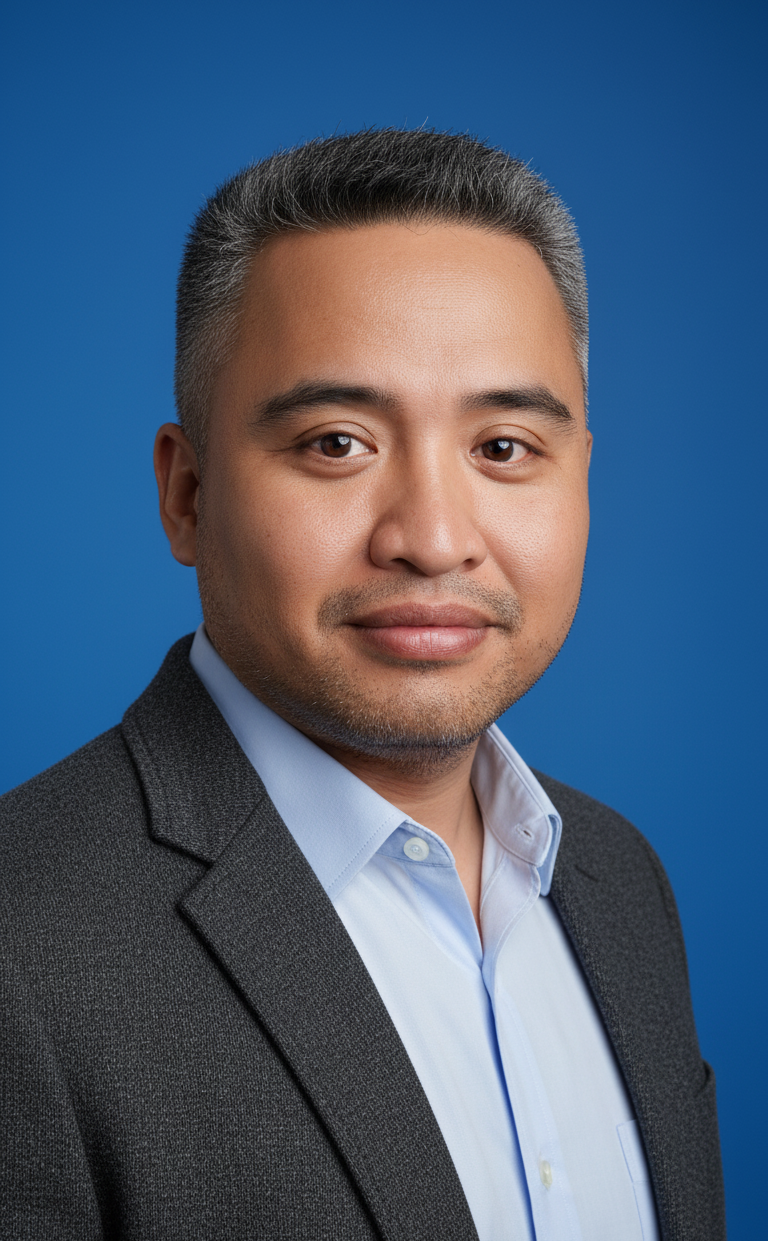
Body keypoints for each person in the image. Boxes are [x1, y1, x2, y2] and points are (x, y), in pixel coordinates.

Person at [0, 129, 725, 1240]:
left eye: (503, 447)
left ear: (583, 476)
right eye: (337, 442)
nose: (431, 538)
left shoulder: (618, 879)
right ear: (187, 494)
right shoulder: (25, 941)